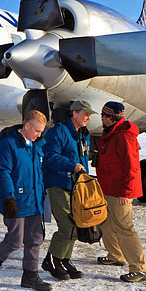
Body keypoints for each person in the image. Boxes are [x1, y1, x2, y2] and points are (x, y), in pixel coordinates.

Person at [0, 110, 51, 291]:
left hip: (34, 200)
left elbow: (37, 172)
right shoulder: (9, 144)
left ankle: (30, 275)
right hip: (16, 200)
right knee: (15, 240)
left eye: (41, 132)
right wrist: (9, 198)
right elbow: (2, 172)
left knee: (35, 238)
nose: (39, 135)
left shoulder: (36, 146)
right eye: (37, 130)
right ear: (27, 125)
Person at [39, 99, 96, 281]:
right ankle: (52, 259)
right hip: (58, 184)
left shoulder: (82, 134)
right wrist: (72, 166)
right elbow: (48, 157)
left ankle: (63, 259)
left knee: (75, 222)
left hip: (75, 186)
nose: (88, 117)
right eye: (85, 113)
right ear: (74, 113)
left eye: (89, 114)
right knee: (67, 225)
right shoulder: (59, 132)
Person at [96, 101, 146, 283]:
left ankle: (139, 269)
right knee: (107, 223)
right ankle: (115, 255)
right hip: (109, 189)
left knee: (125, 228)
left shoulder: (124, 136)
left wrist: (126, 193)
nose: (101, 118)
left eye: (104, 116)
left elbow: (131, 166)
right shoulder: (111, 133)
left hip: (119, 192)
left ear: (111, 118)